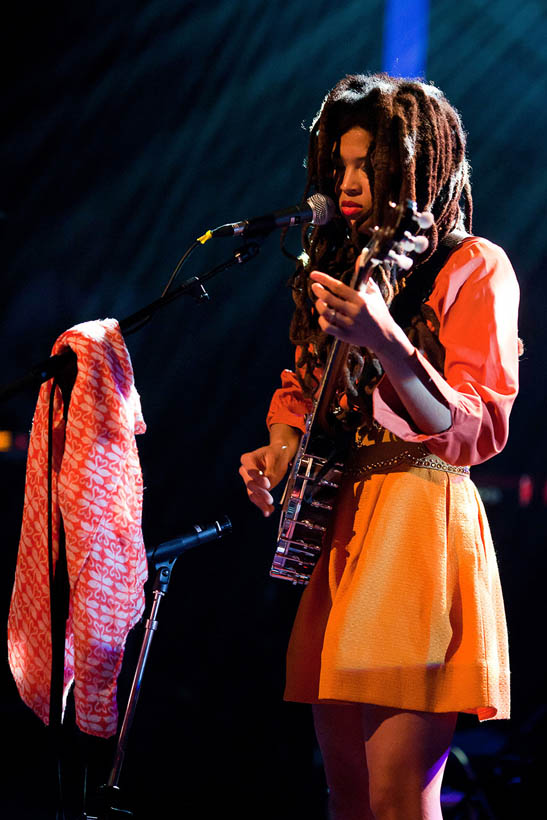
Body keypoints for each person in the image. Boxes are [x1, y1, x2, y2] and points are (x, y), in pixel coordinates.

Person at [239, 74, 519, 820]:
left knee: (399, 800)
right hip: (344, 526)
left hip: (418, 520)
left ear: (414, 169)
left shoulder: (475, 266)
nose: (348, 182)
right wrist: (278, 446)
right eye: (339, 165)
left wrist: (387, 340)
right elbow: (298, 388)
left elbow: (474, 426)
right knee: (349, 800)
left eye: (369, 165)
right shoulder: (341, 273)